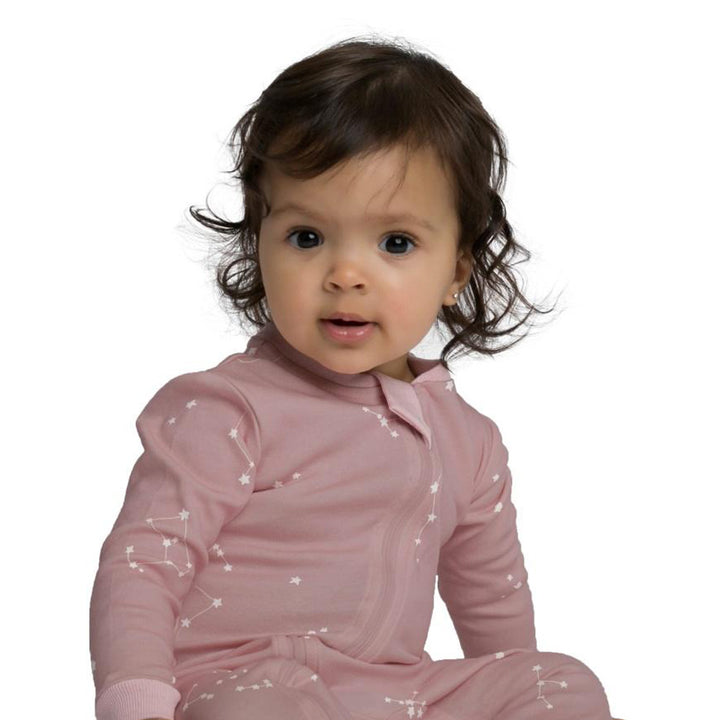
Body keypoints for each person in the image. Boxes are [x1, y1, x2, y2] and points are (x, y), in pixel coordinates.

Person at [89, 35, 622, 720]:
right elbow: (144, 560)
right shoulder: (227, 409)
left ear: (456, 269)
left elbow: (493, 604)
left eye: (396, 243)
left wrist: (509, 696)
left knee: (562, 683)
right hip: (237, 686)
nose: (345, 274)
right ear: (260, 242)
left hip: (390, 694)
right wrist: (136, 700)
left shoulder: (470, 442)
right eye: (306, 237)